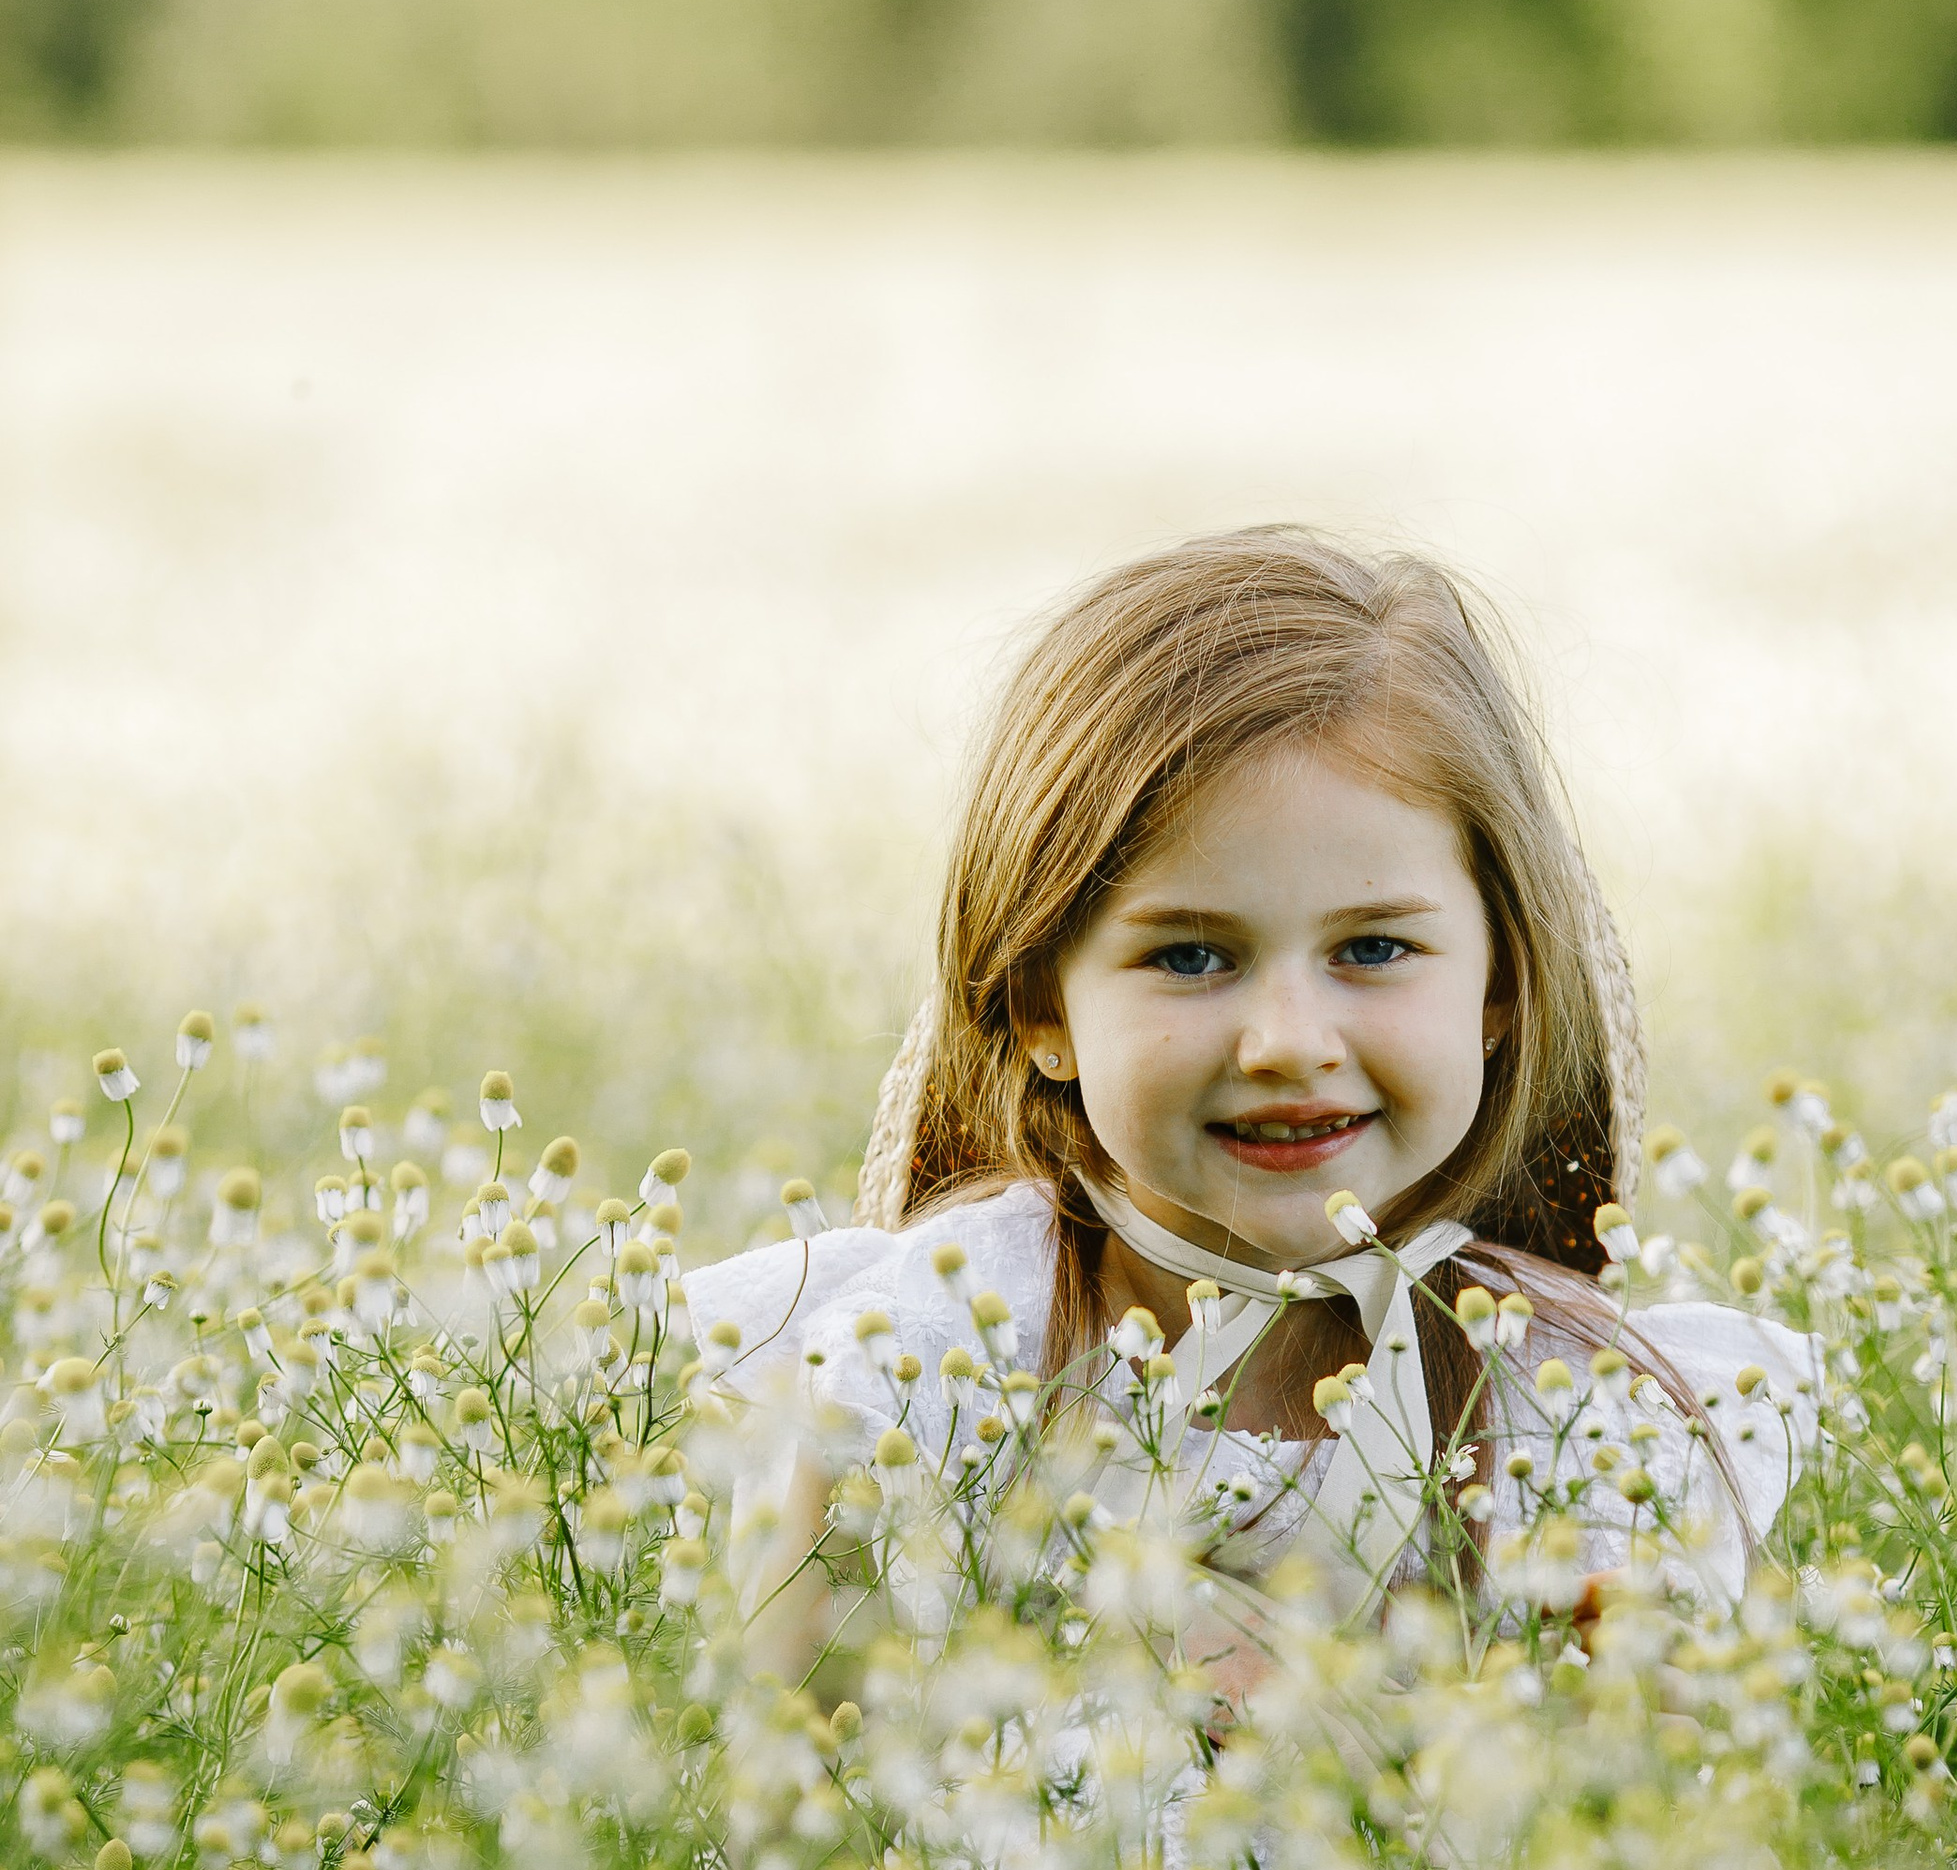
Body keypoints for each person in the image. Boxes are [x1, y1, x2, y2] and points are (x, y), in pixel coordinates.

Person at [681, 529, 1814, 1697]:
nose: (1286, 1043)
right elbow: (800, 1776)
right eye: (1190, 957)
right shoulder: (936, 1360)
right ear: (1038, 1009)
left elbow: (1659, 1815)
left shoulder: (1576, 1411)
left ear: (1497, 992)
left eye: (1373, 948)